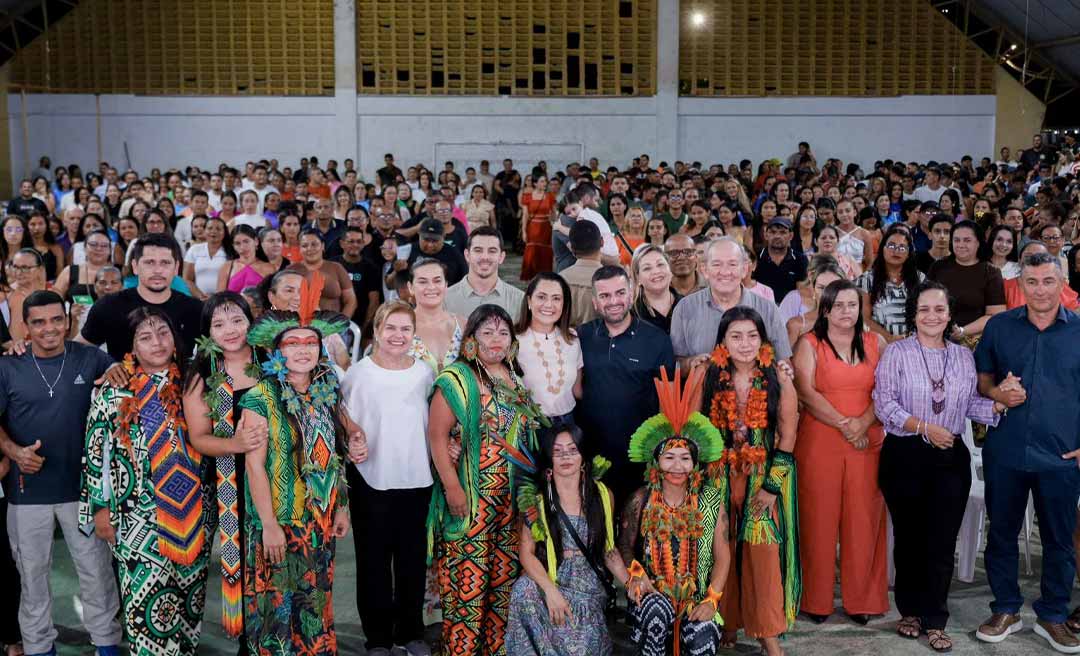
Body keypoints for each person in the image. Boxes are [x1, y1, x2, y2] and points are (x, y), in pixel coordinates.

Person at [873, 280, 1004, 653]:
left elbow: (970, 406)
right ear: (913, 314)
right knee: (911, 538)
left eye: (940, 309)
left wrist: (996, 404)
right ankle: (910, 611)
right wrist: (926, 427)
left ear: (949, 315)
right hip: (905, 454)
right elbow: (884, 404)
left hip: (950, 460)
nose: (933, 316)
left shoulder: (963, 356)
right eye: (925, 309)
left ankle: (935, 618)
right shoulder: (896, 353)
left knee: (942, 541)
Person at [80, 307, 211, 655]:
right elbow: (97, 453)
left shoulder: (194, 384)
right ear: (132, 348)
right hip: (137, 515)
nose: (157, 342)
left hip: (194, 515)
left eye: (163, 333)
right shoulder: (114, 393)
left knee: (189, 600)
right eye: (146, 337)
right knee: (146, 603)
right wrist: (100, 509)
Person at [0, 292, 123, 656]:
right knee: (32, 578)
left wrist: (121, 370)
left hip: (84, 493)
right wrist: (14, 451)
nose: (49, 328)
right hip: (26, 492)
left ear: (69, 320)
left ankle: (107, 645)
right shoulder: (9, 365)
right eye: (38, 322)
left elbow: (126, 385)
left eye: (56, 319)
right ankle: (39, 648)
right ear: (26, 327)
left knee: (97, 574)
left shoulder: (91, 358)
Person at [238, 274, 355, 655]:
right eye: (293, 343)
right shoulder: (260, 397)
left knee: (314, 608)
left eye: (310, 343)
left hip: (318, 523)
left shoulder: (326, 389)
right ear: (277, 351)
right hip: (280, 522)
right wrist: (269, 526)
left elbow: (333, 452)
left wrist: (340, 505)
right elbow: (254, 467)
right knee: (276, 613)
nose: (303, 350)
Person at [974, 251, 1080, 653]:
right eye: (1031, 282)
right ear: (1020, 285)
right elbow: (982, 378)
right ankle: (1005, 608)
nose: (1039, 290)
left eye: (1048, 281)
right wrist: (997, 392)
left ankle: (1052, 615)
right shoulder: (1000, 327)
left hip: (1061, 456)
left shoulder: (1079, 331)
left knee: (1058, 540)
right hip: (1006, 450)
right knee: (1000, 534)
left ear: (1061, 282)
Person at [426, 305, 545, 656]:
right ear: (472, 340)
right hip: (471, 501)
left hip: (508, 506)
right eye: (488, 333)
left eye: (503, 333)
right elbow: (437, 436)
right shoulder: (457, 379)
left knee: (501, 586)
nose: (496, 340)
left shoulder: (515, 380)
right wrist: (452, 487)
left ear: (512, 342)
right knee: (468, 589)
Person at [700, 307, 800, 655]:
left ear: (763, 339)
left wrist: (773, 488)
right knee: (719, 548)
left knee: (763, 553)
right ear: (723, 341)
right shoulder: (709, 375)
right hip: (718, 477)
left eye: (752, 336)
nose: (745, 344)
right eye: (736, 336)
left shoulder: (778, 378)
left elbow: (787, 437)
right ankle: (725, 623)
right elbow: (695, 431)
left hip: (763, 479)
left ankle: (768, 636)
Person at [792, 280, 888, 625]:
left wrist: (862, 424)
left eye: (853, 304)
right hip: (820, 442)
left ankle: (862, 600)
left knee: (863, 521)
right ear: (826, 309)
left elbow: (888, 389)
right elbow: (805, 391)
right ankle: (814, 601)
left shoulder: (876, 342)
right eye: (840, 305)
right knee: (817, 521)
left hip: (866, 443)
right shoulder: (809, 343)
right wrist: (846, 424)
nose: (847, 312)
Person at [616, 366, 730, 656]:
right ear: (656, 462)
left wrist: (712, 599)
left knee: (702, 636)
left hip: (696, 598)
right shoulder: (641, 499)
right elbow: (623, 547)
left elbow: (723, 555)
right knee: (655, 611)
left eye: (684, 459)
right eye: (669, 458)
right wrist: (636, 574)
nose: (677, 467)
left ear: (695, 464)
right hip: (652, 595)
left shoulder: (710, 501)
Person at [341, 301, 433, 656]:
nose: (398, 335)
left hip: (416, 480)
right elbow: (343, 416)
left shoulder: (424, 373)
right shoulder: (359, 374)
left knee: (411, 560)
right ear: (376, 331)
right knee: (373, 563)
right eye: (390, 328)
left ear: (414, 334)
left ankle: (410, 632)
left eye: (405, 329)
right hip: (370, 481)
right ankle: (378, 638)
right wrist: (352, 439)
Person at [181, 292, 265, 646]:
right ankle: (249, 639)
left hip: (278, 477)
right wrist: (235, 445)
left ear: (250, 322)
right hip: (228, 481)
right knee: (245, 560)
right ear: (207, 332)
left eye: (236, 320)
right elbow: (200, 437)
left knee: (276, 556)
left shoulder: (272, 360)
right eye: (218, 324)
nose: (229, 330)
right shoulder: (201, 373)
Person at [506, 423, 628, 655]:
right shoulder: (538, 502)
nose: (566, 457)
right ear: (549, 460)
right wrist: (551, 591)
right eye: (558, 451)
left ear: (583, 457)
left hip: (588, 586)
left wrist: (631, 583)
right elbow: (526, 553)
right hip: (555, 579)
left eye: (572, 450)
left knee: (579, 648)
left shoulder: (602, 495)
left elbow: (608, 550)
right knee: (524, 589)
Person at [577, 266, 675, 504]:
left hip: (640, 458)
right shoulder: (580, 337)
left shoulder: (657, 340)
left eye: (620, 293)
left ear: (631, 294)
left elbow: (668, 401)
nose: (614, 301)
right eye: (605, 296)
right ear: (595, 302)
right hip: (591, 457)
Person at [672, 237, 793, 371]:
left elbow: (783, 360)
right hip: (703, 390)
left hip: (757, 390)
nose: (725, 272)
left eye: (733, 264)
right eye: (717, 264)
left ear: (744, 269)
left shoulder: (768, 309)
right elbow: (675, 363)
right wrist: (690, 363)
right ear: (704, 270)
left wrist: (784, 371)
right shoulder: (685, 308)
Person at [80, 234, 203, 360]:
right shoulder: (109, 305)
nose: (158, 270)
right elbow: (78, 351)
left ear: (176, 268)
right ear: (135, 266)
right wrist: (106, 366)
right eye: (149, 262)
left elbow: (215, 357)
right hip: (122, 379)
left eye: (165, 263)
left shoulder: (195, 309)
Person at [514, 272, 583, 424]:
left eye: (556, 298)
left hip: (568, 423)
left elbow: (577, 390)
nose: (549, 304)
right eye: (541, 297)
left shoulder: (572, 338)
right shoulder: (513, 340)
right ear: (529, 301)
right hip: (530, 425)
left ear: (564, 304)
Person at [928, 220, 1006, 345]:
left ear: (978, 243)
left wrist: (962, 331)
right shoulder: (938, 267)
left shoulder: (991, 272)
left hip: (975, 341)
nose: (961, 245)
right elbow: (924, 300)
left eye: (967, 240)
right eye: (956, 240)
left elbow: (995, 315)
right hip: (936, 336)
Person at [857, 224, 925, 341]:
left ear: (909, 253)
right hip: (879, 343)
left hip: (916, 343)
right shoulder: (866, 280)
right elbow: (864, 318)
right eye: (891, 245)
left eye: (902, 247)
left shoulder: (920, 279)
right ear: (883, 249)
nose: (896, 251)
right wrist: (889, 338)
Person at [445, 226, 525, 318]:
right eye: (478, 250)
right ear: (467, 255)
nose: (485, 257)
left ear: (501, 257)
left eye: (492, 251)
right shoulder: (445, 300)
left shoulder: (519, 300)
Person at [408, 259, 464, 372]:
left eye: (437, 281)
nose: (431, 287)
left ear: (446, 285)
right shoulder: (399, 327)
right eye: (423, 282)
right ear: (411, 287)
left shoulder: (463, 324)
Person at [332, 226, 382, 332]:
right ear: (342, 244)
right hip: (332, 324)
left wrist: (362, 330)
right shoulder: (331, 265)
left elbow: (374, 302)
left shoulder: (371, 268)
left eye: (359, 242)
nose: (355, 245)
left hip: (360, 325)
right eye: (351, 241)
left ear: (363, 244)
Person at [561, 220, 604, 327]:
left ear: (571, 247)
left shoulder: (560, 279)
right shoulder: (612, 281)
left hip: (566, 340)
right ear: (602, 242)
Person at [754, 218, 808, 302]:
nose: (777, 236)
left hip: (790, 309)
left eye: (783, 232)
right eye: (773, 232)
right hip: (761, 307)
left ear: (791, 236)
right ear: (766, 235)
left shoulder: (800, 259)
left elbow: (802, 292)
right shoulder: (755, 258)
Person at [631, 244, 680, 334]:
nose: (656, 271)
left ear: (670, 270)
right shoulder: (630, 315)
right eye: (647, 268)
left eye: (660, 264)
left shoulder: (689, 304)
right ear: (637, 278)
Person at [218, 225, 277, 294]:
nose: (242, 247)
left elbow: (273, 297)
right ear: (233, 246)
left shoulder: (269, 268)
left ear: (256, 241)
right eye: (237, 243)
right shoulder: (226, 267)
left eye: (246, 241)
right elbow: (219, 298)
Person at [520, 173, 557, 280]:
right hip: (532, 227)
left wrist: (554, 223)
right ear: (535, 183)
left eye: (545, 181)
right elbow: (525, 215)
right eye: (542, 181)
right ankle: (530, 278)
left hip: (546, 227)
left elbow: (554, 213)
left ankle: (545, 277)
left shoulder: (550, 196)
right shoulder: (527, 197)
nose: (544, 184)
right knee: (532, 253)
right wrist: (523, 231)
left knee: (545, 253)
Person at [665, 233, 705, 297]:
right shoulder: (659, 288)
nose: (681, 257)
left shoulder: (712, 286)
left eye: (688, 252)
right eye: (674, 253)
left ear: (696, 257)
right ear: (665, 259)